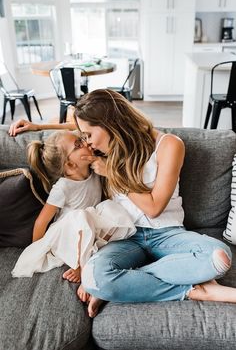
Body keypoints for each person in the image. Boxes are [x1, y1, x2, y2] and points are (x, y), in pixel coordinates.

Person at [9, 89, 236, 319]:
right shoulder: (106, 148)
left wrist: (113, 174)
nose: (87, 142)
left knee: (218, 257)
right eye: (83, 137)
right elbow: (73, 135)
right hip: (123, 237)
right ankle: (191, 289)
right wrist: (37, 127)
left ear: (110, 124)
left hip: (167, 234)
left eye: (88, 135)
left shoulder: (169, 145)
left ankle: (128, 280)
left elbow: (154, 207)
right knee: (94, 277)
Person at [11, 129, 136, 307]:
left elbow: (83, 123)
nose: (86, 143)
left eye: (82, 139)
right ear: (70, 165)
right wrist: (38, 248)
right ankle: (82, 269)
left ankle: (94, 256)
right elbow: (42, 221)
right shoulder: (63, 187)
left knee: (112, 209)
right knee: (80, 216)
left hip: (90, 228)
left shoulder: (96, 170)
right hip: (68, 234)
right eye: (78, 145)